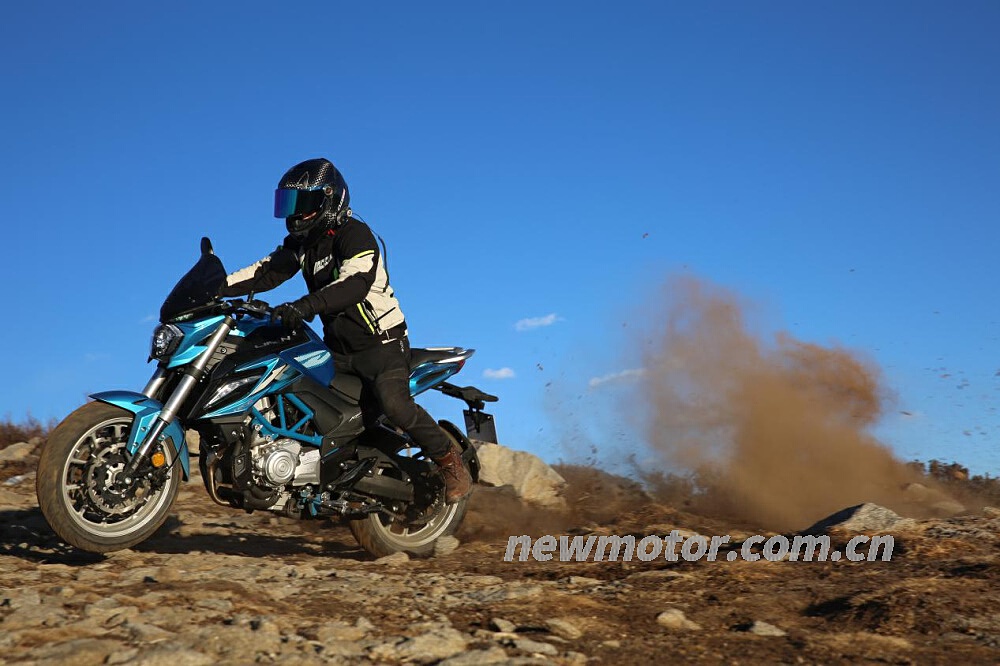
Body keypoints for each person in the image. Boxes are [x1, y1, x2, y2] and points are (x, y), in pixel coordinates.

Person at [219, 157, 472, 503]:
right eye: (290, 204)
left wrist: (302, 307)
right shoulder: (303, 244)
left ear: (329, 199)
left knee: (395, 405)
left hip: (381, 347)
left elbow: (353, 284)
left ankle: (449, 460)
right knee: (294, 392)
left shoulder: (355, 235)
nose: (295, 214)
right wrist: (217, 287)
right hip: (337, 352)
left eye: (303, 204)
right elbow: (266, 272)